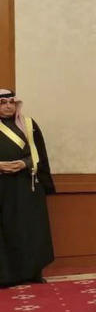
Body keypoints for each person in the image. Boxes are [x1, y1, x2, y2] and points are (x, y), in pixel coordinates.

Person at [0, 89, 55, 286]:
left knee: (28, 228)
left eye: (11, 102)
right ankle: (5, 277)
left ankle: (31, 273)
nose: (8, 106)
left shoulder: (29, 125)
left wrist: (25, 163)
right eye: (3, 102)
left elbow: (40, 154)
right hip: (2, 187)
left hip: (26, 185)